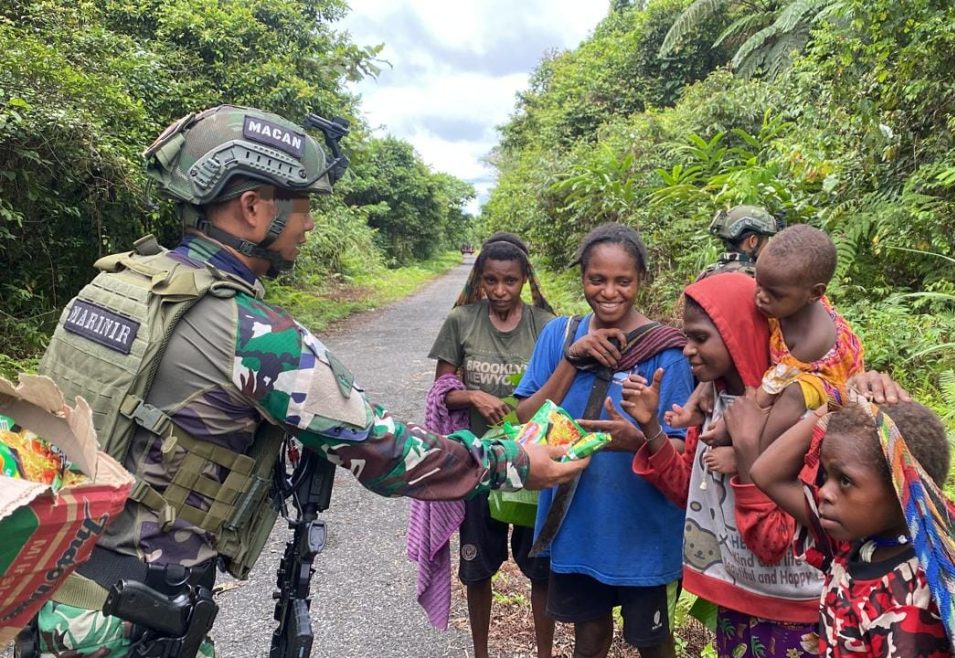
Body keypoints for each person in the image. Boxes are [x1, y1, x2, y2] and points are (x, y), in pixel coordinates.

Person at [30, 105, 585, 657]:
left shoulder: (116, 285)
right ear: (253, 208)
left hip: (51, 586)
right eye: (302, 206)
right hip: (131, 618)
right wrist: (510, 462)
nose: (310, 224)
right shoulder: (254, 335)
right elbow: (385, 450)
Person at [513, 223, 693, 658]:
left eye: (622, 281)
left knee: (653, 642)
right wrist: (572, 361)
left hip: (641, 527)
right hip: (577, 522)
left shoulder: (667, 352)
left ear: (640, 281)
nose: (609, 291)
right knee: (588, 638)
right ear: (582, 278)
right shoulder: (560, 334)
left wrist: (638, 438)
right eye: (597, 279)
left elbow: (685, 451)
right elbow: (524, 421)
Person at [622, 273, 822, 658]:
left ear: (738, 332)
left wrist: (746, 456)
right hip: (739, 597)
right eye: (687, 337)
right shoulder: (714, 403)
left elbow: (775, 541)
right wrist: (651, 428)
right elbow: (690, 492)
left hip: (790, 605)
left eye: (700, 338)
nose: (686, 350)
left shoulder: (789, 412)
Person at [736, 389, 954, 656]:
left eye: (845, 481)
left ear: (901, 488)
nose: (825, 492)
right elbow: (765, 473)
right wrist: (839, 400)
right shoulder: (852, 543)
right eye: (826, 475)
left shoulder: (909, 603)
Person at [425, 232, 556, 658]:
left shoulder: (546, 325)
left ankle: (544, 653)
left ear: (524, 280)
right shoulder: (461, 321)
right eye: (492, 281)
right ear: (480, 279)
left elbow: (561, 384)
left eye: (510, 281)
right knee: (476, 567)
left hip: (532, 461)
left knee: (541, 570)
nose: (501, 291)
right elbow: (443, 389)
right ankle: (480, 651)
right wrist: (473, 395)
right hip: (477, 463)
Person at [683, 223, 865, 481]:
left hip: (830, 382)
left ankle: (753, 454)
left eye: (774, 293)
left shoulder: (812, 337)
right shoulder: (783, 303)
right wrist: (700, 392)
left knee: (792, 396)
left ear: (814, 294)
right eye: (758, 284)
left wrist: (728, 429)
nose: (760, 297)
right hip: (787, 370)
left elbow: (770, 389)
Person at [697, 205, 783, 280]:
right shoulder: (759, 277)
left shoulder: (706, 273)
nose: (768, 245)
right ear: (753, 241)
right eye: (767, 239)